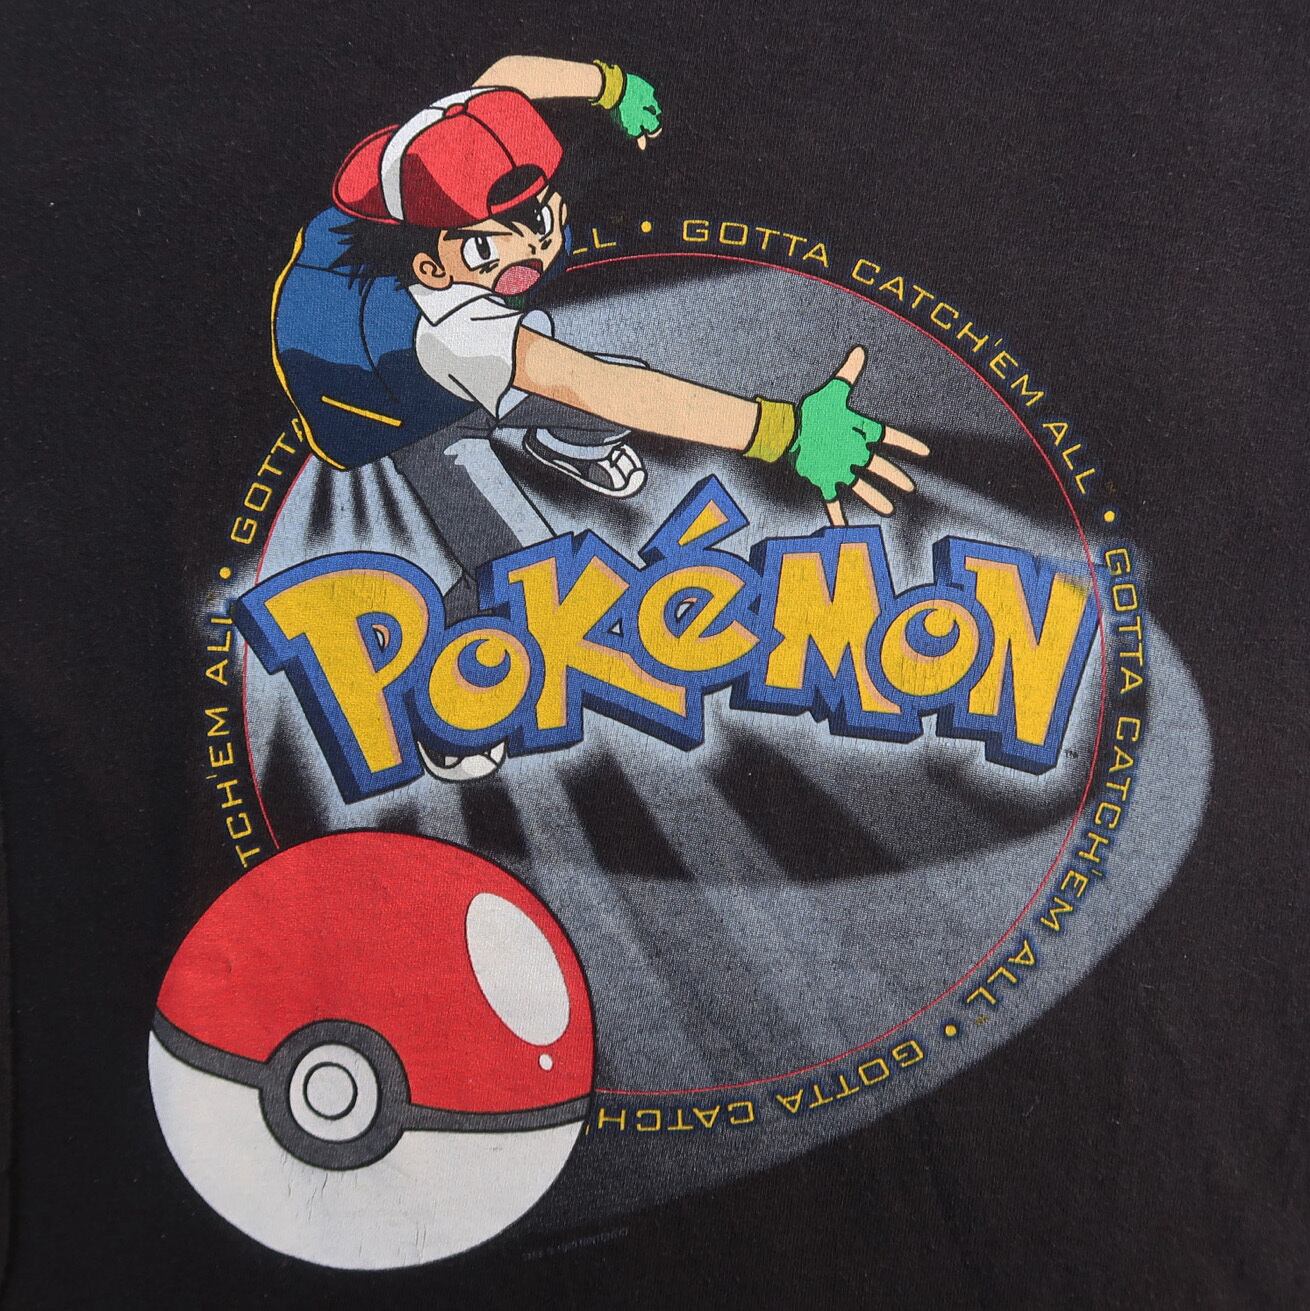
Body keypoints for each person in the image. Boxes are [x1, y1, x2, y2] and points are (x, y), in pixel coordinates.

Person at [272, 54, 929, 780]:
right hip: (399, 411)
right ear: (431, 266)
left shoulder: (442, 154)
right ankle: (445, 703)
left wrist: (610, 84)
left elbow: (506, 76)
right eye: (490, 244)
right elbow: (597, 387)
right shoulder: (448, 329)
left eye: (540, 218)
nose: (536, 246)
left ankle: (555, 440)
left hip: (451, 348)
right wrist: (784, 432)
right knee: (530, 574)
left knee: (605, 387)